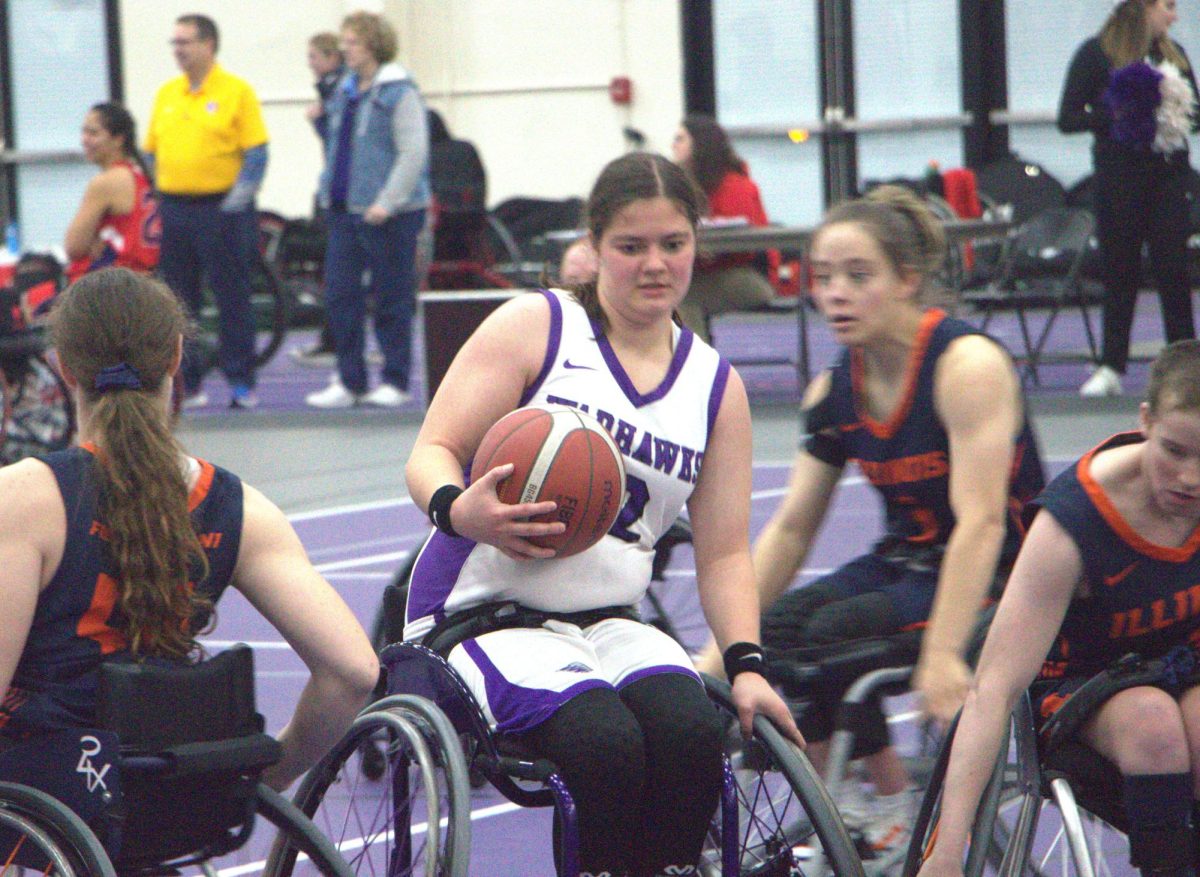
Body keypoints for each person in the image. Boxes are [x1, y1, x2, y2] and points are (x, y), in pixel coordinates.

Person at [403, 151, 803, 877]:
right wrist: (461, 509)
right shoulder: (539, 326)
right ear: (593, 247)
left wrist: (746, 664)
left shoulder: (715, 385)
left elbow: (723, 555)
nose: (655, 264)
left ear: (695, 245)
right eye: (631, 246)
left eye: (673, 244)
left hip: (611, 618)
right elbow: (431, 449)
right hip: (486, 608)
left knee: (690, 733)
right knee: (604, 743)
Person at [697, 185, 1046, 871]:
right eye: (824, 278)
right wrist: (717, 657)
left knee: (835, 636)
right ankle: (862, 806)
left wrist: (945, 652)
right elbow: (793, 529)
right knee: (779, 631)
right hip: (906, 562)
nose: (836, 294)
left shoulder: (965, 366)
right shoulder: (833, 390)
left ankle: (892, 806)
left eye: (859, 276)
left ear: (907, 279)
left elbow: (980, 523)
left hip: (1004, 571)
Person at [0, 268, 379, 798]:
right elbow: (354, 672)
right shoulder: (241, 508)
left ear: (63, 366)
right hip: (179, 791)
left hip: (45, 794)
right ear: (176, 358)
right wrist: (269, 779)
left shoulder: (22, 498)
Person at [917, 339, 1200, 877]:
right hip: (1079, 683)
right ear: (1145, 422)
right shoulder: (1074, 523)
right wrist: (947, 850)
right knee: (1152, 724)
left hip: (1184, 665)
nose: (1189, 478)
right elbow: (992, 690)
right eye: (1174, 451)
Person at [1062, 0, 1199, 398]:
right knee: (1120, 273)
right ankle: (1111, 366)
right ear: (1142, 8)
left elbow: (1197, 115)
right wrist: (1119, 114)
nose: (1174, 16)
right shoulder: (1095, 54)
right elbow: (1067, 117)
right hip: (1118, 181)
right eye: (1168, 6)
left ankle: (1187, 367)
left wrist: (1173, 107)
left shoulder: (1174, 55)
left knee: (1173, 272)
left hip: (1170, 179)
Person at [305, 11, 430, 410]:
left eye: (353, 42)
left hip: (389, 214)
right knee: (341, 295)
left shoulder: (399, 91)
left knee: (392, 295)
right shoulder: (346, 90)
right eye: (344, 42)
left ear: (373, 45)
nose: (345, 49)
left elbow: (413, 153)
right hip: (345, 209)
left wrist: (388, 202)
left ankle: (395, 378)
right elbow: (340, 146)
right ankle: (349, 379)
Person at [144, 13, 269, 411]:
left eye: (185, 42)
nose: (178, 50)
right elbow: (150, 152)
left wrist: (233, 205)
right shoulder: (167, 94)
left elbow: (256, 153)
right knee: (180, 300)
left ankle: (240, 381)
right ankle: (189, 382)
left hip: (223, 210)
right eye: (174, 43)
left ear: (208, 45)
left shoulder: (236, 92)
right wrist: (157, 195)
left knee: (232, 296)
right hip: (176, 210)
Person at [670, 113, 779, 344]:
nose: (673, 145)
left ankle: (696, 367)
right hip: (705, 271)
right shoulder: (681, 183)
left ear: (699, 144)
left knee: (682, 296)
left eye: (680, 139)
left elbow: (746, 246)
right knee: (672, 290)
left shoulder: (736, 185)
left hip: (747, 274)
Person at [290, 32, 346, 370]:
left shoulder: (339, 88)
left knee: (339, 274)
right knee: (335, 273)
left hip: (340, 197)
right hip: (332, 189)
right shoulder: (330, 88)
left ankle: (336, 342)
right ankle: (334, 340)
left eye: (314, 57)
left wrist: (319, 121)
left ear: (330, 57)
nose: (310, 64)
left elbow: (338, 141)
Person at [63, 103, 160, 282]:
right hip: (142, 280)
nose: (84, 139)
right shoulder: (139, 173)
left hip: (109, 284)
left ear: (118, 139)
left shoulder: (107, 181)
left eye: (93, 133)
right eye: (84, 132)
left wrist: (93, 240)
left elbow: (73, 248)